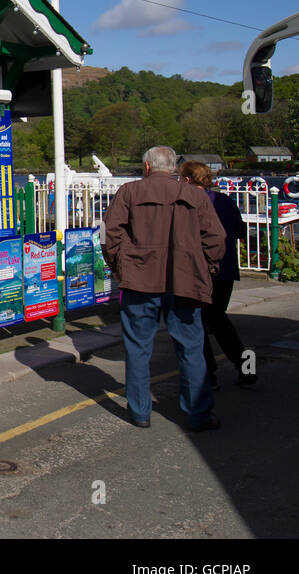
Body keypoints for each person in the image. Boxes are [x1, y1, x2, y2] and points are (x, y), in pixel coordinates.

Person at [103, 147, 226, 430]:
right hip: (184, 280)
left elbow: (111, 235)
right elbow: (216, 239)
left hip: (139, 280)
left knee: (137, 348)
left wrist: (121, 268)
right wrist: (205, 268)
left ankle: (139, 412)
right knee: (191, 348)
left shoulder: (129, 192)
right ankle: (198, 414)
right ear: (173, 168)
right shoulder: (195, 195)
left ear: (147, 167)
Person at [178, 161, 256, 389]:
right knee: (219, 318)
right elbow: (241, 231)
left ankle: (208, 374)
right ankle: (246, 366)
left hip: (202, 269)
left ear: (188, 180)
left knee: (198, 321)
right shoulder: (225, 201)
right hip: (227, 268)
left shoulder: (189, 203)